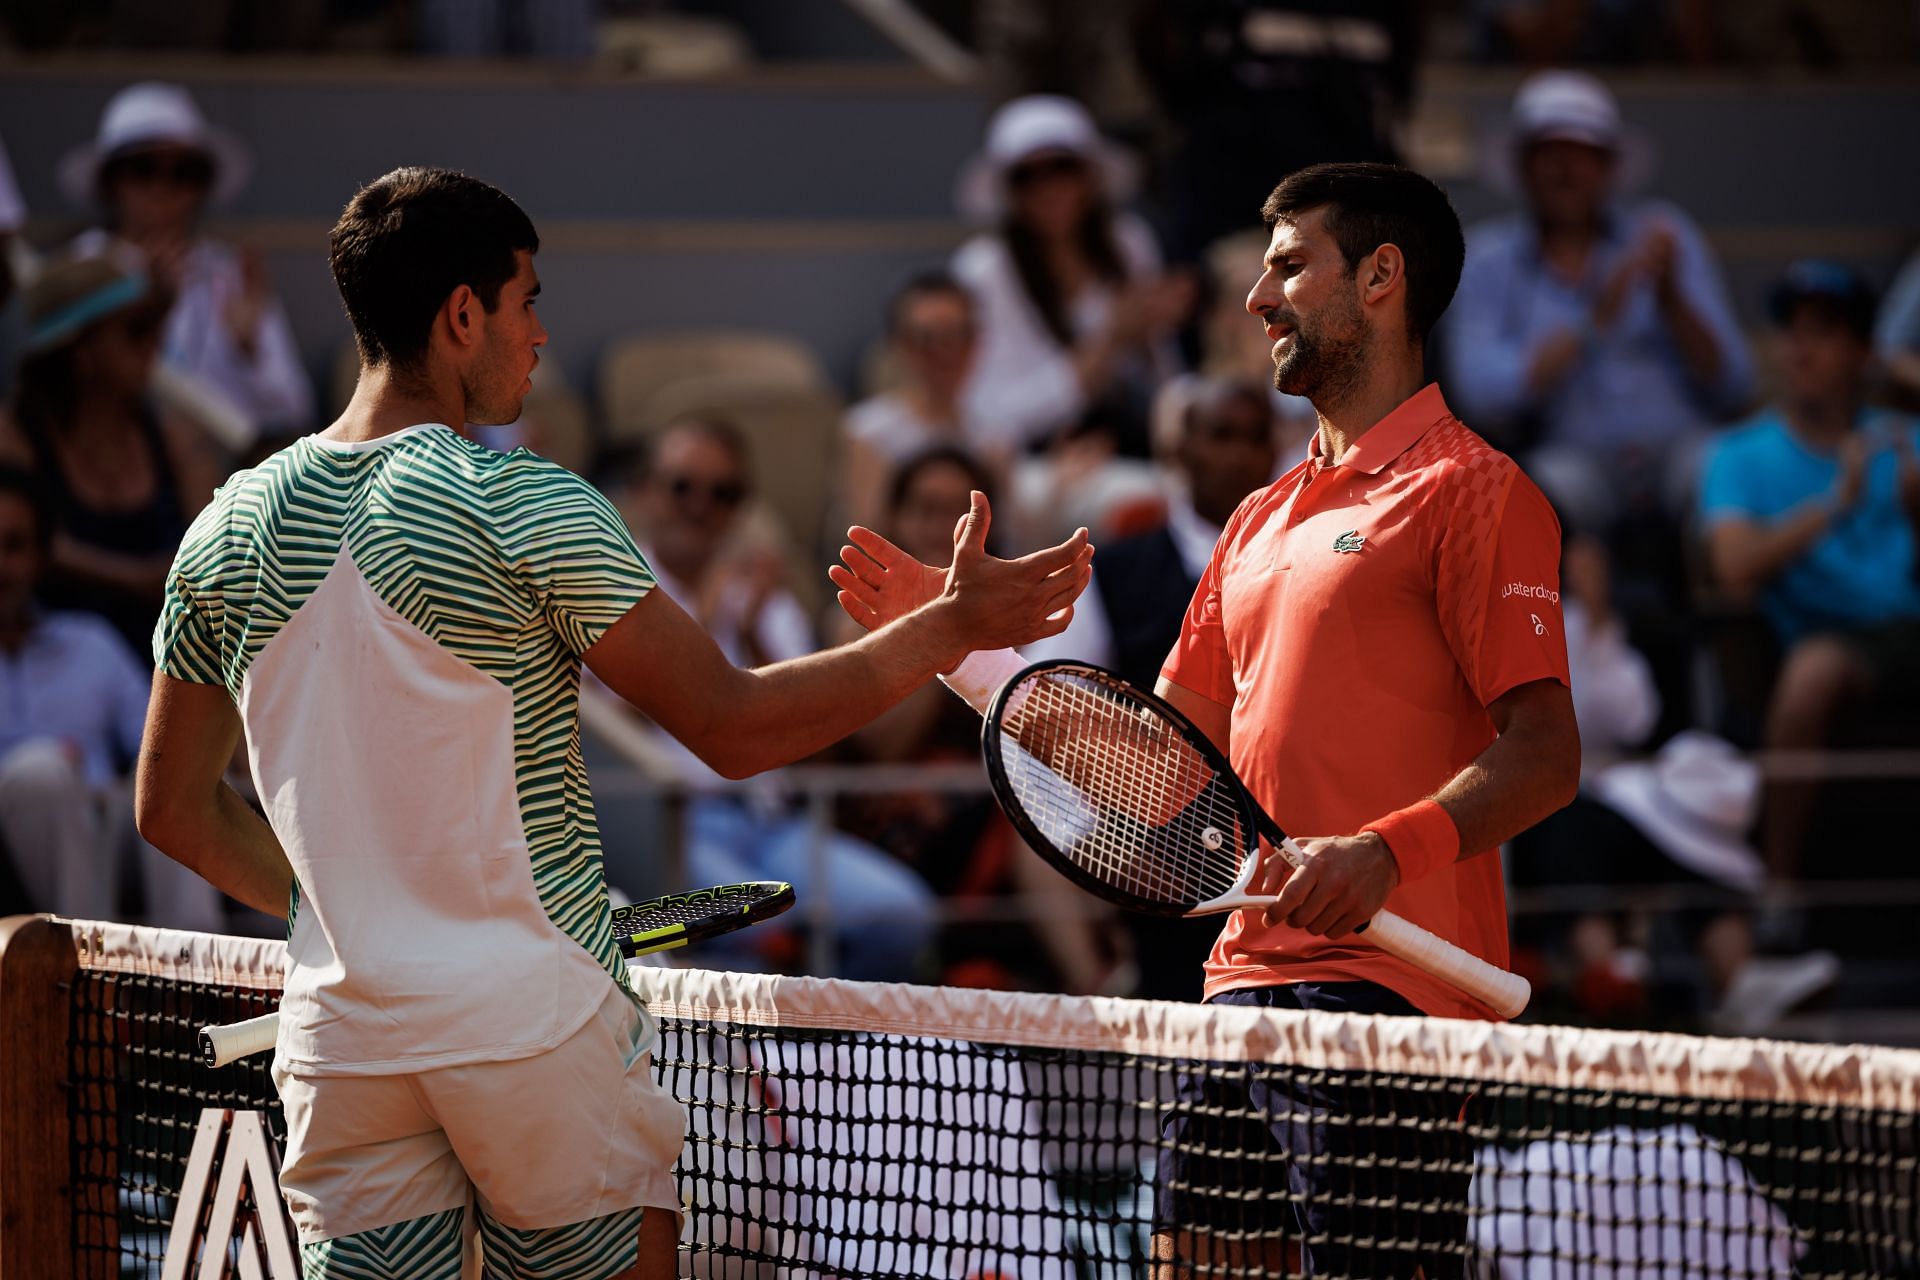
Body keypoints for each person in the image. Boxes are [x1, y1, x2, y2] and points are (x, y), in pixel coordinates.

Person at [134, 166, 1092, 1280]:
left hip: (342, 1036)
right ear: (461, 315)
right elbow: (734, 726)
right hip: (531, 1027)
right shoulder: (523, 502)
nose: (541, 335)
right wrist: (941, 632)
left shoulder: (224, 529)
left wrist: (351, 905)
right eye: (527, 299)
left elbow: (172, 810)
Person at [835, 162, 1582, 1278]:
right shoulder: (1255, 517)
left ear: (1382, 277)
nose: (1257, 299)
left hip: (1395, 996)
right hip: (1239, 985)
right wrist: (961, 654)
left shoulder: (1478, 491)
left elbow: (1546, 755)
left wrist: (1386, 852)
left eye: (1289, 266)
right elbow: (1161, 765)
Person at [602, 415, 940, 982]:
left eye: (723, 492)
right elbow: (610, 730)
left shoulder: (765, 601)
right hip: (673, 824)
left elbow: (808, 736)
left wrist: (755, 632)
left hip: (771, 820)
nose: (701, 506)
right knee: (751, 929)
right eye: (683, 486)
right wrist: (703, 622)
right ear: (644, 492)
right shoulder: (609, 585)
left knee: (900, 916)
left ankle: (830, 1058)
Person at [1444, 70, 1751, 538]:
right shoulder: (1488, 259)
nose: (1565, 170)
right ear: (1523, 167)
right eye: (1549, 154)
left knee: (1721, 470)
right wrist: (1592, 324)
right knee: (1536, 494)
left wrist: (1673, 302)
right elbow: (1480, 392)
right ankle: (1577, 612)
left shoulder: (1664, 234)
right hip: (1571, 462)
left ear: (1609, 167)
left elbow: (1734, 383)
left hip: (1680, 447)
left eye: (1582, 155)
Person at [1696, 259, 1920, 884]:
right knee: (1813, 672)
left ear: (1865, 353)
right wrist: (1831, 506)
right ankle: (1778, 888)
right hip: (1827, 638)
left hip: (1910, 627)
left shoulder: (1907, 441)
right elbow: (1733, 568)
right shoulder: (1738, 454)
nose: (1800, 348)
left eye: (1824, 332)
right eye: (1790, 330)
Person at [0, 465, 223, 930]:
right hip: (16, 833)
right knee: (42, 773)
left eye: (14, 546)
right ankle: (79, 972)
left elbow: (160, 740)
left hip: (104, 826)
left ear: (41, 557)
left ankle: (197, 973)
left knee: (177, 787)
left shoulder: (91, 643)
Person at [61, 81, 313, 441]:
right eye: (143, 168)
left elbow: (294, 410)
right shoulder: (82, 268)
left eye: (184, 171)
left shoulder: (232, 274)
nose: (162, 187)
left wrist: (248, 351)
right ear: (110, 182)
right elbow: (62, 397)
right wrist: (138, 301)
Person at [0, 246, 218, 653]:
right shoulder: (14, 437)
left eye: (155, 324)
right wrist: (137, 580)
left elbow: (211, 547)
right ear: (82, 353)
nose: (155, 342)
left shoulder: (174, 436)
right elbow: (19, 542)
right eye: (137, 328)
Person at [952, 94, 1187, 454]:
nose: (1048, 188)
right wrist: (1110, 340)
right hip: (1030, 458)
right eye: (1026, 176)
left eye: (1063, 167)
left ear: (1090, 176)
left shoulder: (1128, 241)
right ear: (1008, 191)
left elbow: (1162, 375)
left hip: (1132, 443)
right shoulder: (982, 269)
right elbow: (992, 412)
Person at [841, 272, 1001, 529]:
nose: (944, 352)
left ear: (975, 342)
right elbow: (869, 540)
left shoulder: (993, 437)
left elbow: (1012, 540)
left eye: (957, 336)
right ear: (900, 345)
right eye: (927, 339)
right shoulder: (868, 433)